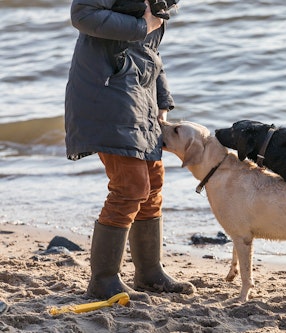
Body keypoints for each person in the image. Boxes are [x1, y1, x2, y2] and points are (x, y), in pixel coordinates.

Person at [65, 0, 195, 300]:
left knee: (153, 185)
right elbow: (82, 14)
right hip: (107, 92)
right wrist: (142, 26)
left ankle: (149, 274)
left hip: (140, 97)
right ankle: (104, 280)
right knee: (130, 187)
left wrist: (163, 99)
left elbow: (150, 53)